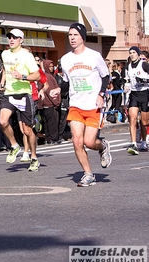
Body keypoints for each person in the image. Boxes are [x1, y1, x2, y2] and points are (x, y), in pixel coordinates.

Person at [50, 23, 112, 187]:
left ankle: (103, 146)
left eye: (75, 35)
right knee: (77, 141)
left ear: (82, 37)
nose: (72, 38)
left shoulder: (94, 56)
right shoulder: (65, 59)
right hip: (76, 105)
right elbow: (66, 83)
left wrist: (101, 94)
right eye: (70, 35)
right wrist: (58, 89)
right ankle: (88, 174)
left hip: (93, 105)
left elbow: (106, 77)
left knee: (89, 142)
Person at [0, 28, 41, 171]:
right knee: (2, 121)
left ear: (21, 40)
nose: (11, 40)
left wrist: (22, 77)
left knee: (27, 131)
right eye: (9, 37)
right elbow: (5, 68)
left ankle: (34, 157)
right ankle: (15, 145)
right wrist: (2, 82)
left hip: (24, 94)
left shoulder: (27, 56)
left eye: (14, 37)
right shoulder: (5, 54)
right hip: (9, 93)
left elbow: (37, 76)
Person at [124, 46, 149, 155]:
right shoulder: (128, 66)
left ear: (138, 54)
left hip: (145, 93)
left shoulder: (143, 64)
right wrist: (126, 85)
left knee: (144, 121)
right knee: (132, 118)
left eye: (134, 52)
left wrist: (144, 80)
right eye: (130, 52)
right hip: (134, 94)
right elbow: (127, 79)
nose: (132, 54)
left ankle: (144, 141)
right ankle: (134, 143)